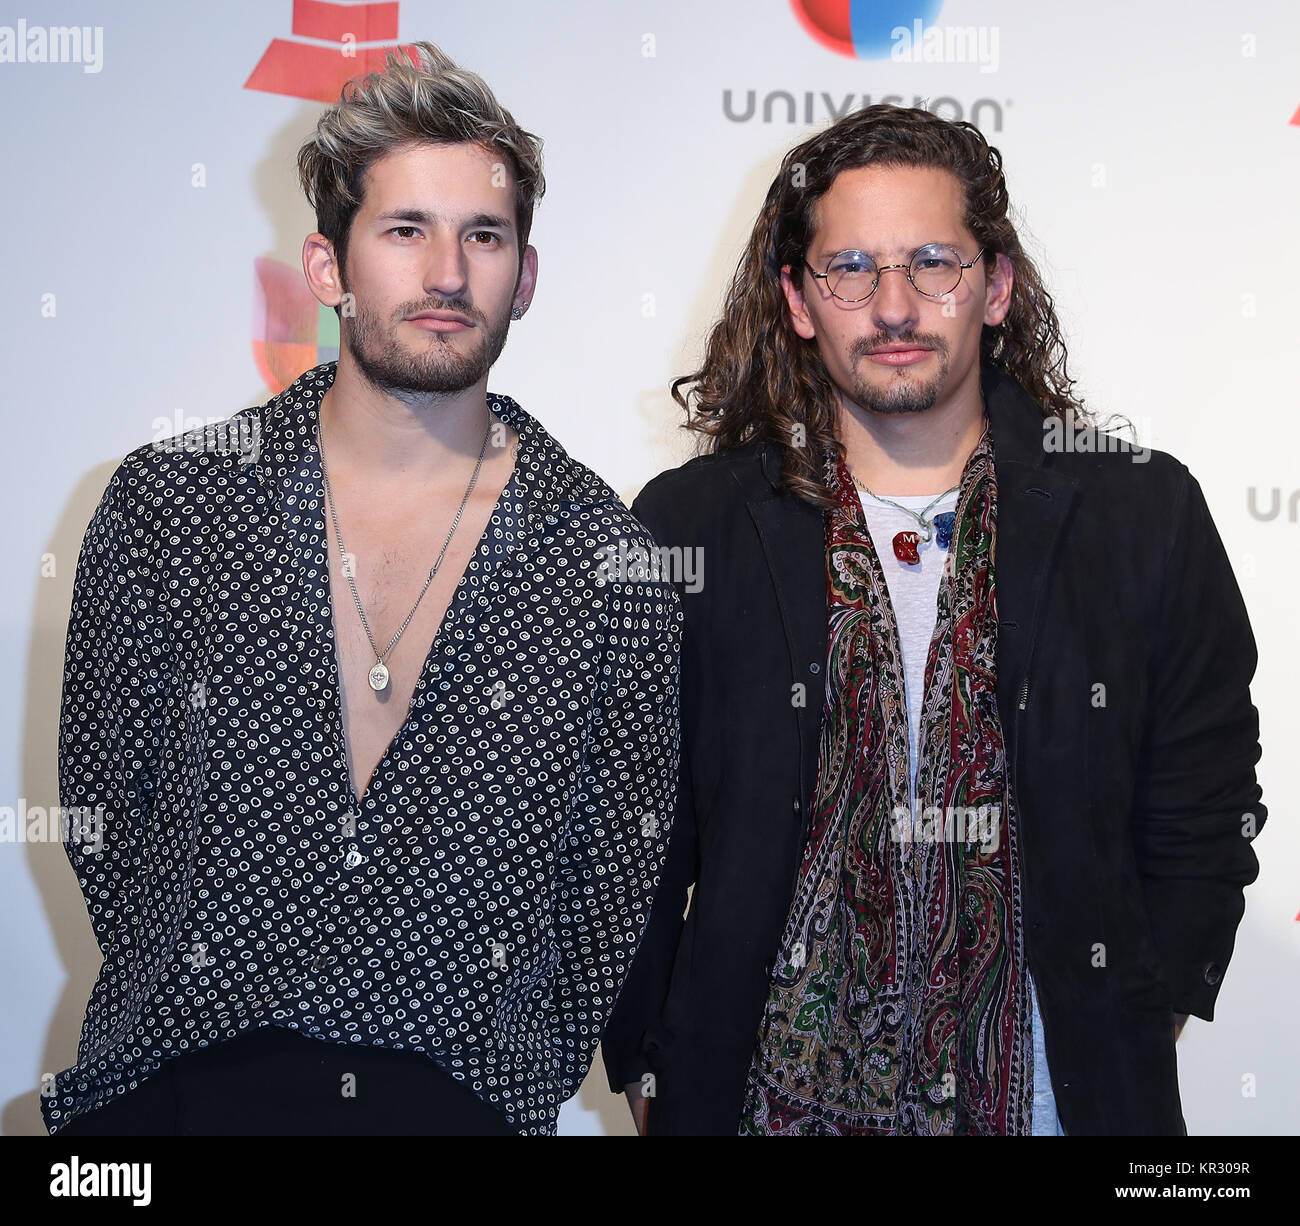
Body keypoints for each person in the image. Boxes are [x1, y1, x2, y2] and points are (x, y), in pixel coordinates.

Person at [46, 41, 680, 1137]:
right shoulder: (171, 506)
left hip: (457, 1110)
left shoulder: (606, 562)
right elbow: (104, 814)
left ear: (524, 275)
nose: (447, 272)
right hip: (167, 1098)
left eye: (483, 235)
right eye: (405, 231)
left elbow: (613, 881)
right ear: (328, 269)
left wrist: (505, 1082)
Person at [602, 104, 1266, 1136]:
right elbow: (632, 828)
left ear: (994, 287)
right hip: (750, 1100)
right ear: (797, 299)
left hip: (1058, 1104)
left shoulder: (1137, 513)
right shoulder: (695, 526)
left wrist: (1143, 1007)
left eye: (932, 263)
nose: (895, 305)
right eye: (852, 268)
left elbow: (1205, 793)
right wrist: (648, 1061)